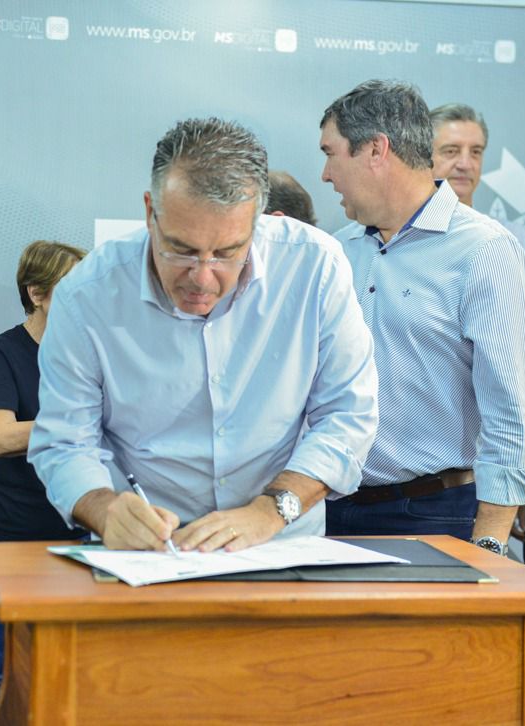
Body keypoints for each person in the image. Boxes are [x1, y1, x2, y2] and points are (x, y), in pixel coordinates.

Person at [28, 117, 378, 554]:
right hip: (149, 552)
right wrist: (104, 509)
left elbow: (347, 417)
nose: (203, 277)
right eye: (182, 249)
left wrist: (268, 512)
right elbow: (65, 442)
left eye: (228, 253)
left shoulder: (315, 267)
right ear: (150, 212)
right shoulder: (88, 295)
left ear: (259, 221)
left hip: (277, 543)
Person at [320, 80, 525, 556]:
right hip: (327, 511)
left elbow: (512, 411)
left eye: (331, 152)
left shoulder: (485, 251)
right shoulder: (339, 250)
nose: (325, 174)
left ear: (376, 150)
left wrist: (488, 545)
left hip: (436, 513)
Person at [0, 240, 85, 726]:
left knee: (63, 671)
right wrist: (77, 423)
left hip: (72, 537)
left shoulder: (90, 355)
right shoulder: (3, 353)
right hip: (0, 535)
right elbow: (1, 436)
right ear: (37, 293)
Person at [429, 102, 525, 365]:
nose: (465, 163)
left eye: (476, 152)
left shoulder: (517, 241)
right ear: (424, 157)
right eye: (451, 151)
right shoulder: (405, 238)